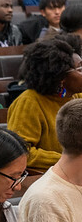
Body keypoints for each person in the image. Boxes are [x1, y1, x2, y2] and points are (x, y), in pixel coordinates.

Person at [7, 35, 82, 170]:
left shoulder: (77, 96)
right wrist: (68, 159)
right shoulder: (28, 103)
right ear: (61, 77)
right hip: (49, 177)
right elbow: (21, 152)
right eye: (80, 69)